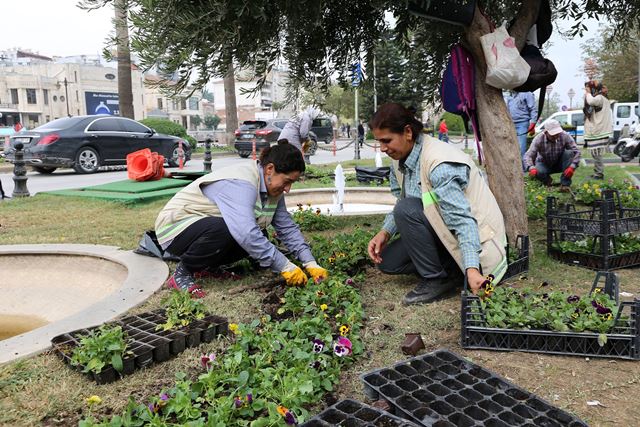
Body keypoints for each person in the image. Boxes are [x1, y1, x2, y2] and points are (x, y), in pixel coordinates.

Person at [367, 103, 508, 305]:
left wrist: (472, 268)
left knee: (406, 209)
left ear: (407, 132)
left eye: (387, 140)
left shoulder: (439, 164)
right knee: (389, 262)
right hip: (444, 230)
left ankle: (437, 279)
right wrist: (385, 232)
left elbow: (463, 221)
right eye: (379, 142)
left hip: (481, 240)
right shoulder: (399, 161)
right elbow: (404, 198)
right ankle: (451, 271)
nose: (382, 148)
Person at [155, 142, 328, 298]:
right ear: (270, 169)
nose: (288, 189)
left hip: (204, 228)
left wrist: (310, 262)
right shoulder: (242, 183)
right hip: (174, 228)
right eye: (287, 181)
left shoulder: (273, 188)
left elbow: (287, 228)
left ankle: (206, 268)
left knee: (259, 235)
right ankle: (182, 274)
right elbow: (246, 233)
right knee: (231, 231)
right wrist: (284, 266)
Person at [523, 119, 581, 192]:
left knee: (569, 153)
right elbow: (528, 155)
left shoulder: (565, 135)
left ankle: (565, 184)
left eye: (557, 133)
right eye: (553, 134)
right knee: (538, 170)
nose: (556, 136)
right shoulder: (538, 139)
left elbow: (577, 151)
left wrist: (572, 167)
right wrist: (531, 167)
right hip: (544, 163)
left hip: (560, 163)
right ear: (546, 132)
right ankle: (547, 181)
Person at [583, 80, 613, 179]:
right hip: (600, 130)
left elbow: (590, 101)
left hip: (599, 130)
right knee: (596, 153)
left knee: (597, 154)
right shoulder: (602, 98)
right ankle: (598, 172)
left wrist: (587, 93)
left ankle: (599, 174)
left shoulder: (599, 98)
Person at [507, 91, 537, 168]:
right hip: (510, 124)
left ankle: (523, 169)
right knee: (512, 148)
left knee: (521, 148)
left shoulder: (527, 93)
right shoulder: (510, 95)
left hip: (522, 123)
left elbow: (533, 108)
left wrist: (533, 123)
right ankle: (516, 167)